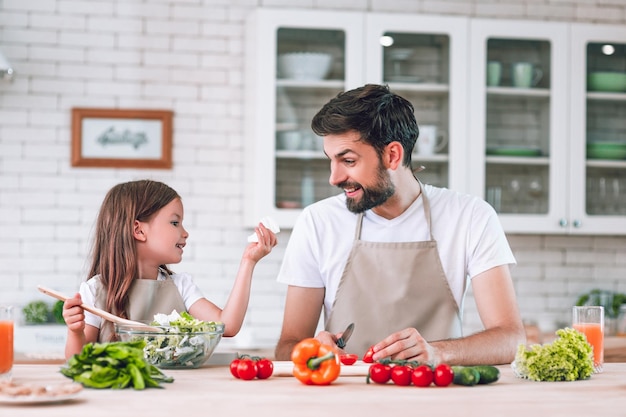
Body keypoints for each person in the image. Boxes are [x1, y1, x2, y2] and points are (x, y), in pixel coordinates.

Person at [274, 84, 526, 365]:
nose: (334, 177)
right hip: (345, 401)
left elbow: (511, 339)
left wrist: (438, 352)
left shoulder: (470, 217)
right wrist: (311, 349)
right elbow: (287, 347)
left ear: (393, 155)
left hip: (436, 397)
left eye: (347, 160)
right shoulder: (317, 222)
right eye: (331, 161)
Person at [63, 179, 277, 358]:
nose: (185, 233)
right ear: (138, 230)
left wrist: (248, 262)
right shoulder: (94, 291)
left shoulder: (180, 286)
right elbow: (78, 360)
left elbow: (227, 326)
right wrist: (75, 332)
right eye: (175, 223)